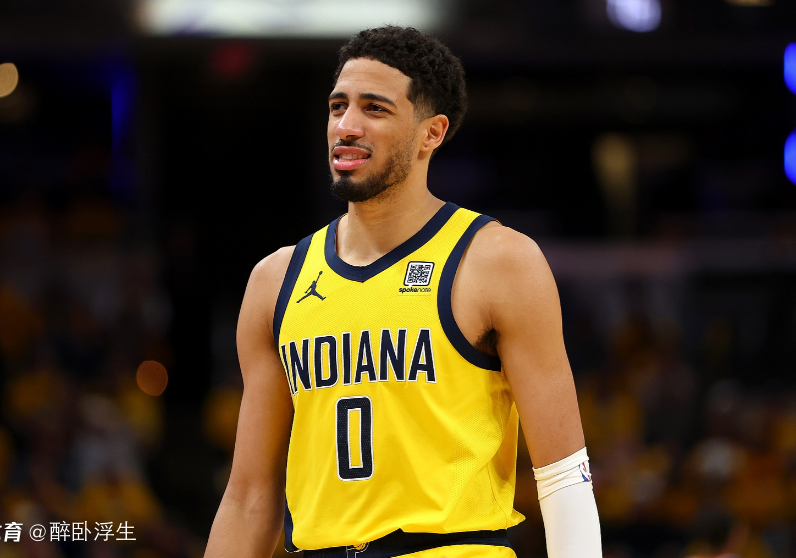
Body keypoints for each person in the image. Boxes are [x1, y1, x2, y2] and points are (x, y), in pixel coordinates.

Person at [204, 25, 603, 558]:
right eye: (338, 106)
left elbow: (564, 478)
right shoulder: (275, 280)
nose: (346, 126)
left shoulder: (498, 262)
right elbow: (248, 498)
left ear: (431, 133)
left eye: (374, 108)